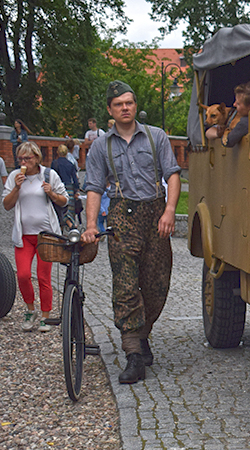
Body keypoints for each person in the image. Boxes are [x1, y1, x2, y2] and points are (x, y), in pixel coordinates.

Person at [81, 80, 181, 384]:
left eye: (129, 102)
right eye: (118, 104)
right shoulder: (101, 146)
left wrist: (169, 211)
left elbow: (173, 175)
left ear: (134, 105)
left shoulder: (157, 136)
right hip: (122, 217)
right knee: (125, 285)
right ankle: (133, 354)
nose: (125, 108)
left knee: (156, 284)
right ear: (110, 110)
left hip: (155, 214)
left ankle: (141, 332)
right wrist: (90, 225)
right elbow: (94, 188)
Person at [2, 141, 68, 333]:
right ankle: (30, 309)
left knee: (43, 276)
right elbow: (6, 205)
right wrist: (16, 188)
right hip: (23, 236)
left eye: (27, 158)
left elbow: (65, 201)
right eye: (20, 158)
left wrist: (52, 193)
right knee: (22, 275)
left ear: (36, 158)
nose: (23, 161)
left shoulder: (48, 175)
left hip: (45, 236)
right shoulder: (15, 176)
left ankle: (45, 315)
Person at [50, 144, 80, 230]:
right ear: (67, 153)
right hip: (69, 187)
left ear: (57, 152)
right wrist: (76, 191)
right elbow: (75, 179)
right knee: (69, 209)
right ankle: (71, 225)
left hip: (57, 188)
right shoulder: (70, 164)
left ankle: (61, 228)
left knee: (58, 209)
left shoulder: (54, 163)